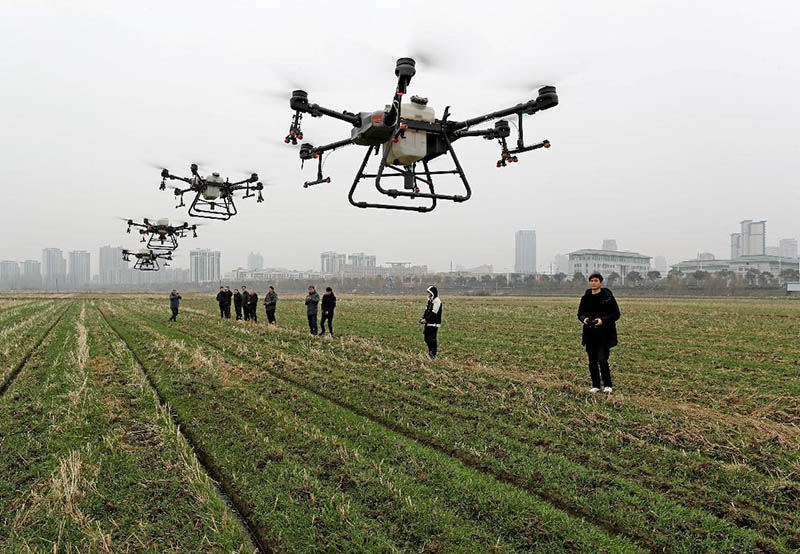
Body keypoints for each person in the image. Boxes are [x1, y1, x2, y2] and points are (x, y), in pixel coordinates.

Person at [577, 273, 620, 394]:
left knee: (602, 359)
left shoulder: (607, 297)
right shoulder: (585, 298)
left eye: (596, 280)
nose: (593, 283)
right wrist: (584, 319)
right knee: (592, 361)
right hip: (590, 333)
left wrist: (602, 320)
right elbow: (579, 314)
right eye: (591, 280)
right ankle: (595, 385)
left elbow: (616, 314)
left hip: (604, 334)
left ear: (601, 282)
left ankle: (608, 384)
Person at [419, 285, 442, 359]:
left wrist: (426, 320)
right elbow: (426, 311)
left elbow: (434, 313)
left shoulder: (437, 301)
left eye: (429, 292)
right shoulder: (430, 301)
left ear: (433, 293)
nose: (428, 294)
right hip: (428, 323)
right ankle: (430, 353)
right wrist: (423, 318)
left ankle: (433, 355)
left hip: (434, 324)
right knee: (426, 338)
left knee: (432, 339)